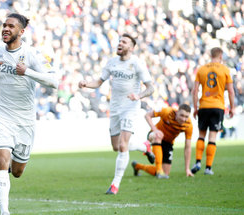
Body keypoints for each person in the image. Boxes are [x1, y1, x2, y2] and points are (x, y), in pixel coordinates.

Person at [0, 13, 58, 215]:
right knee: (1, 159)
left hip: (25, 121)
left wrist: (28, 72)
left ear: (21, 31)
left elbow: (54, 82)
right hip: (1, 117)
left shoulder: (33, 54)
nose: (6, 29)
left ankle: (9, 171)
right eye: (4, 25)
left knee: (16, 172)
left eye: (11, 26)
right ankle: (4, 212)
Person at [78, 34, 154, 195]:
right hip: (115, 108)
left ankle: (115, 184)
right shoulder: (111, 62)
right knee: (116, 146)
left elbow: (150, 88)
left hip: (130, 108)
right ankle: (144, 146)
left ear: (131, 48)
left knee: (122, 146)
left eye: (124, 42)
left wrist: (138, 96)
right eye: (119, 41)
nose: (120, 43)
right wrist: (86, 84)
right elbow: (98, 82)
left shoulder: (137, 64)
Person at [191, 47, 235, 175]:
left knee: (201, 135)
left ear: (211, 55)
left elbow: (195, 91)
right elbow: (231, 91)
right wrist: (232, 108)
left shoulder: (202, 69)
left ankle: (198, 162)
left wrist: (195, 108)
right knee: (213, 137)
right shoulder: (225, 70)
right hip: (218, 106)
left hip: (204, 105)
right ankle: (208, 168)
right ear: (220, 56)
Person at [131, 104, 194, 178]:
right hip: (154, 136)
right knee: (158, 136)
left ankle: (137, 166)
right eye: (182, 115)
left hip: (168, 143)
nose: (183, 119)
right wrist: (155, 130)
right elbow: (147, 115)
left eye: (186, 116)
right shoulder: (167, 111)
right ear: (177, 112)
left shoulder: (188, 125)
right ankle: (159, 171)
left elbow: (188, 147)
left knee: (166, 173)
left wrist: (187, 169)